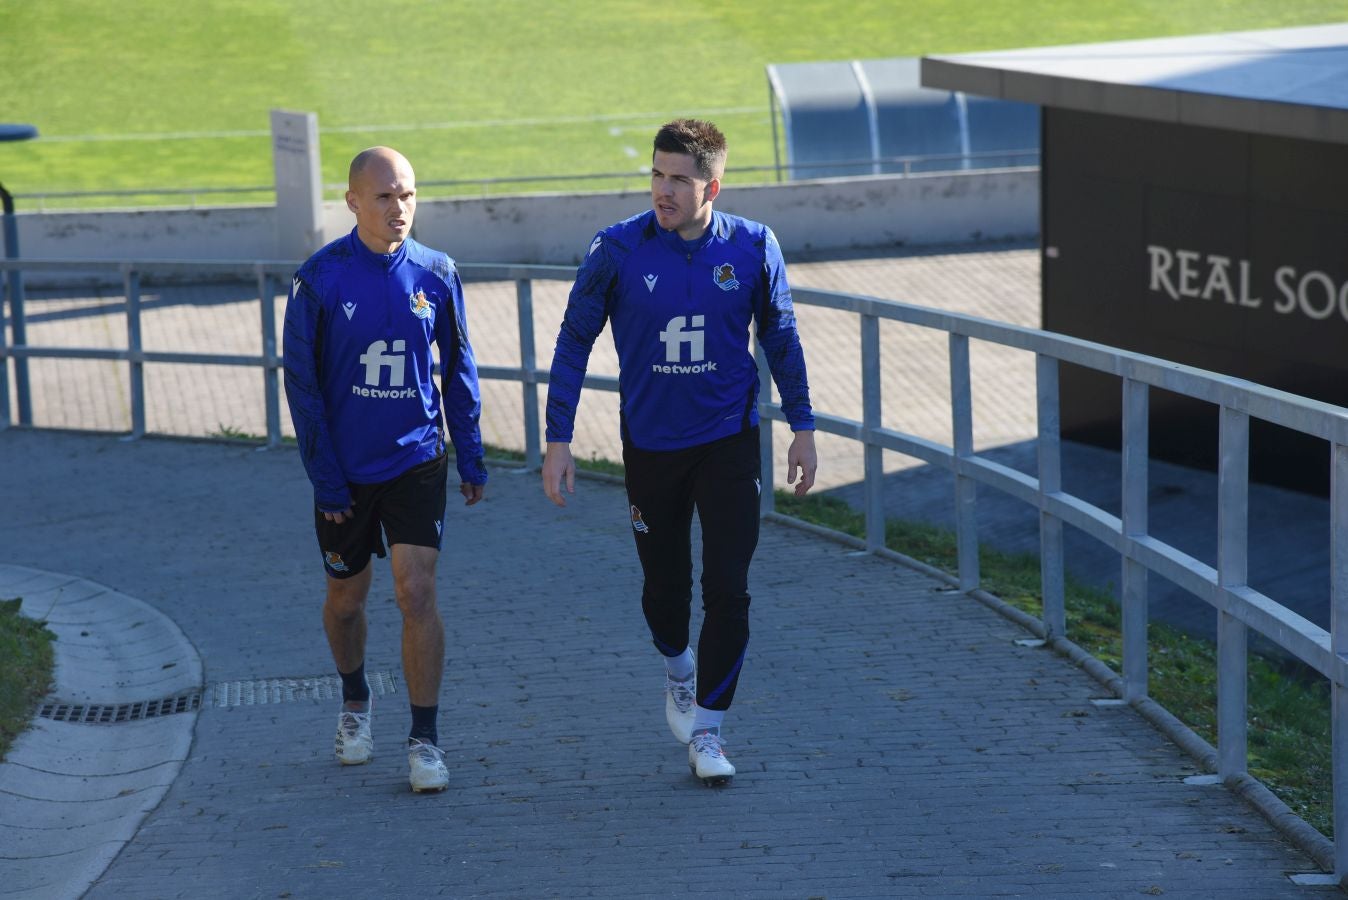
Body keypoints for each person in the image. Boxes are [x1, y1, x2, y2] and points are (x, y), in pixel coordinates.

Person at [541, 119, 817, 786]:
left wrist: (802, 425)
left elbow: (780, 336)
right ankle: (678, 666)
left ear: (712, 187)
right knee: (665, 592)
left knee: (729, 589)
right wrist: (558, 439)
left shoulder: (754, 246)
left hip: (727, 442)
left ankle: (710, 731)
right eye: (656, 175)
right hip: (651, 446)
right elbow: (574, 340)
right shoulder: (616, 248)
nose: (662, 191)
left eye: (679, 180)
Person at [283, 146, 487, 793]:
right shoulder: (320, 279)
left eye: (407, 195)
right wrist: (326, 478)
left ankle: (425, 740)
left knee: (415, 592)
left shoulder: (437, 272)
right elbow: (302, 386)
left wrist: (471, 452)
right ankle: (355, 700)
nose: (399, 208)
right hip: (344, 472)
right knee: (346, 602)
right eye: (383, 196)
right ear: (352, 202)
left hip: (416, 459)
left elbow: (459, 367)